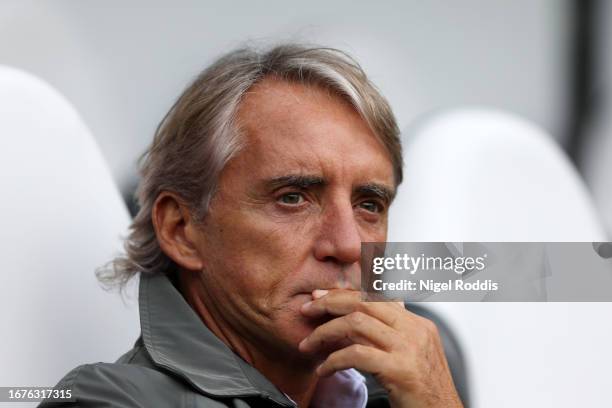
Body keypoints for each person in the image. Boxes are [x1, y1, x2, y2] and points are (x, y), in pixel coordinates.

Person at [40, 44, 463, 407]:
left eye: (369, 205)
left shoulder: (406, 387)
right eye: (293, 198)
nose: (350, 246)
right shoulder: (107, 400)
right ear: (181, 230)